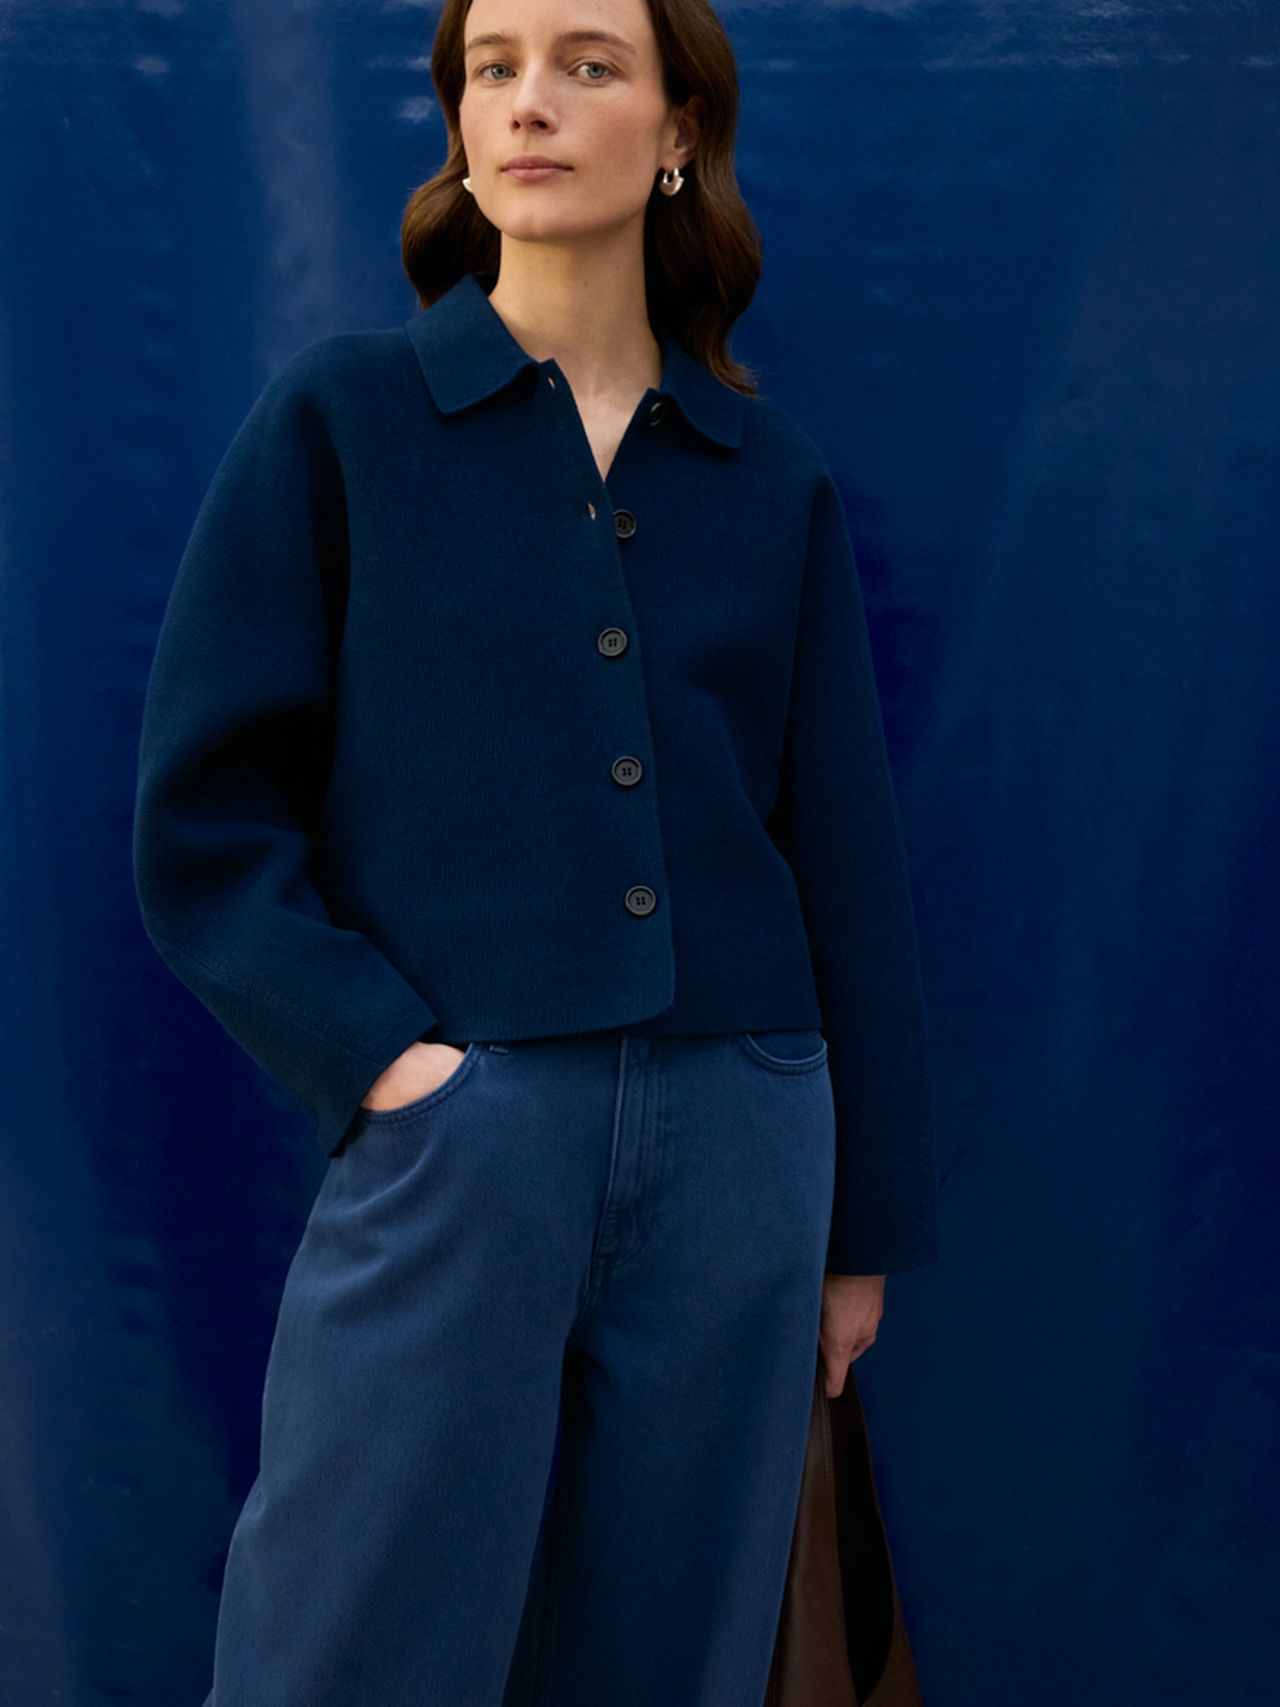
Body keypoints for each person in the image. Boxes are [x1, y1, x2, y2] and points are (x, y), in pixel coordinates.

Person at [133, 0, 941, 1701]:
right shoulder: (345, 423)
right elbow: (206, 821)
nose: (529, 102)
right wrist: (389, 1067)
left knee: (669, 1654)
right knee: (339, 1644)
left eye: (587, 63)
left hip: (743, 1135)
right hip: (463, 1130)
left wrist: (855, 1222)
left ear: (675, 134)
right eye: (492, 67)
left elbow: (845, 860)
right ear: (456, 128)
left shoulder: (760, 471)